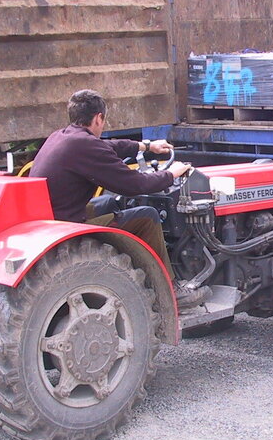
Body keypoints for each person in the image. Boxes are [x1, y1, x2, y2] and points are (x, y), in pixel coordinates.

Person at [31, 89, 206, 304]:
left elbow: (107, 146)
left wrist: (148, 146)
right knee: (147, 216)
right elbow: (135, 185)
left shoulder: (62, 137)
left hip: (53, 216)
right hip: (66, 224)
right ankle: (170, 291)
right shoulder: (85, 146)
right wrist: (171, 174)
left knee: (108, 201)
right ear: (99, 117)